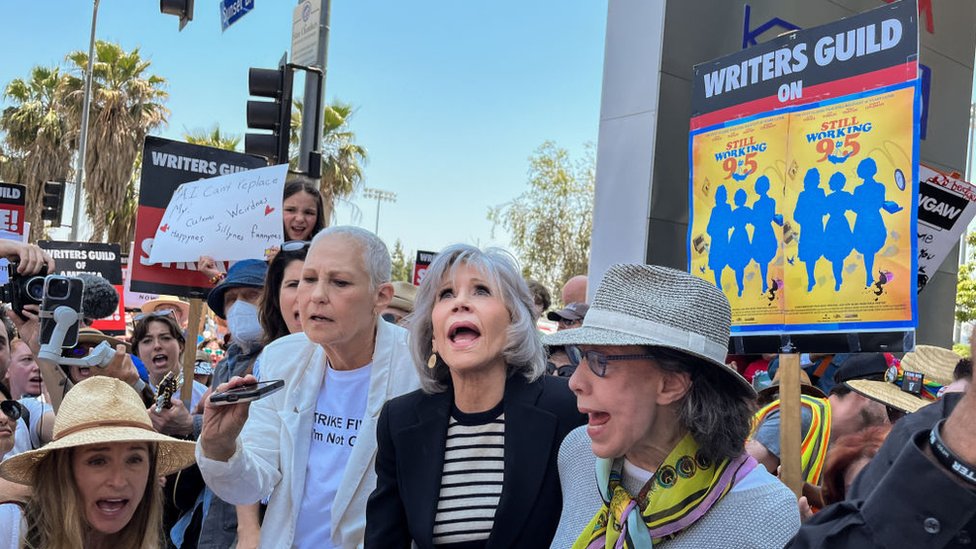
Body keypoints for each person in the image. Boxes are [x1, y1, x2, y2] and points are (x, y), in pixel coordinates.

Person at [198, 226, 420, 548]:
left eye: (339, 282)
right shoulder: (282, 358)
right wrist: (221, 446)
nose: (317, 295)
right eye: (309, 279)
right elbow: (251, 485)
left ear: (381, 297)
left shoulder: (419, 369)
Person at [546, 264, 799, 548]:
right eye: (580, 355)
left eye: (600, 360)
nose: (575, 382)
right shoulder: (577, 455)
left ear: (671, 385)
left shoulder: (767, 515)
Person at [365, 244, 585, 547]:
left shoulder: (568, 408)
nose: (460, 303)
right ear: (432, 334)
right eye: (446, 294)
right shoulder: (400, 421)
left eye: (481, 291)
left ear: (514, 322)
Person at [0, 376, 196, 549]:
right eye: (98, 461)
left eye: (134, 459)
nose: (118, 481)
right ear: (63, 470)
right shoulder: (12, 531)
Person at [282, 176, 326, 241]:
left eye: (308, 213)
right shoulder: (262, 247)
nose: (299, 219)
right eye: (290, 210)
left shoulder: (327, 249)